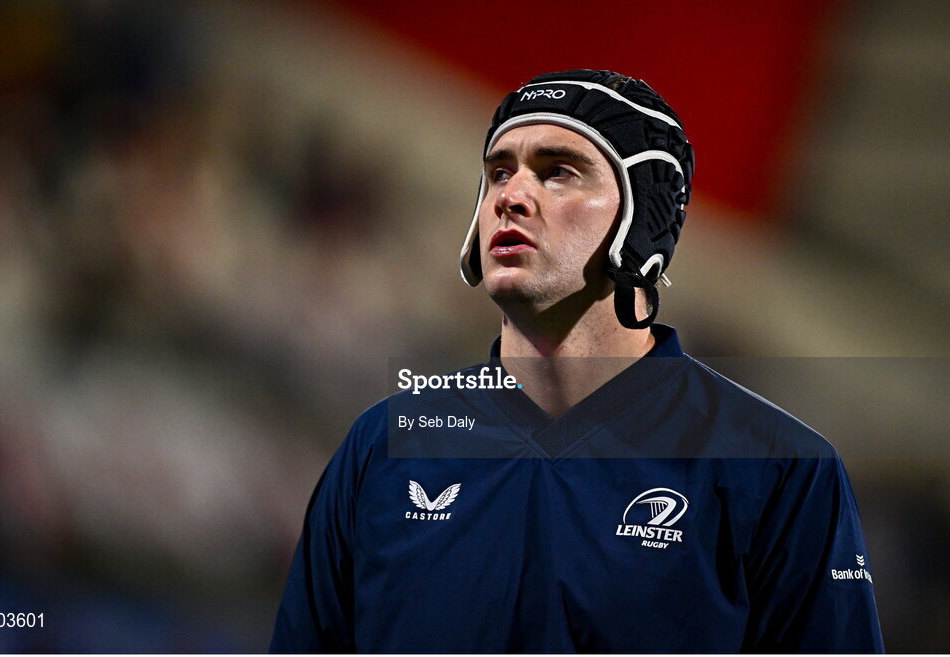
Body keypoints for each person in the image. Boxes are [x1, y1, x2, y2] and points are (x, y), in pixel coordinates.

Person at [269, 69, 884, 652]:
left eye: (557, 172)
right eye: (498, 172)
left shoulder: (779, 470)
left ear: (642, 218)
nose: (510, 196)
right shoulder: (382, 446)